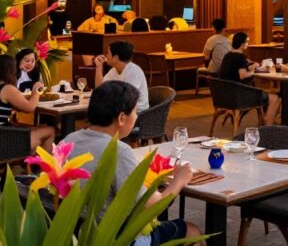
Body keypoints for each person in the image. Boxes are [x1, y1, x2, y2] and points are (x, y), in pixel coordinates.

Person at [63, 81, 200, 243]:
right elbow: (150, 206)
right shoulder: (118, 151)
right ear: (121, 118)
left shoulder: (68, 141)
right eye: (135, 112)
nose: (136, 117)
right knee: (192, 230)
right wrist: (180, 180)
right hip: (117, 237)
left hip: (76, 234)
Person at [0, 54, 55, 151]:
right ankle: (44, 164)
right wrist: (36, 90)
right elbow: (30, 108)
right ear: (10, 70)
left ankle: (30, 162)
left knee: (38, 128)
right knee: (50, 130)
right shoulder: (6, 88)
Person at [218, 32, 281, 125]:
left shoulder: (228, 56)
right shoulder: (240, 57)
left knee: (265, 94)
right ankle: (268, 126)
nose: (248, 43)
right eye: (247, 41)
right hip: (240, 97)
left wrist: (251, 68)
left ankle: (265, 121)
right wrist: (254, 71)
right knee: (274, 97)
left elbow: (237, 71)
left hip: (226, 95)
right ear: (242, 43)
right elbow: (242, 75)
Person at [93, 40, 149, 113]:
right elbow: (99, 89)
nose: (105, 55)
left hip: (138, 115)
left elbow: (128, 100)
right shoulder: (114, 70)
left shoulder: (133, 71)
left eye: (108, 53)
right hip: (122, 111)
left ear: (115, 58)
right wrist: (99, 67)